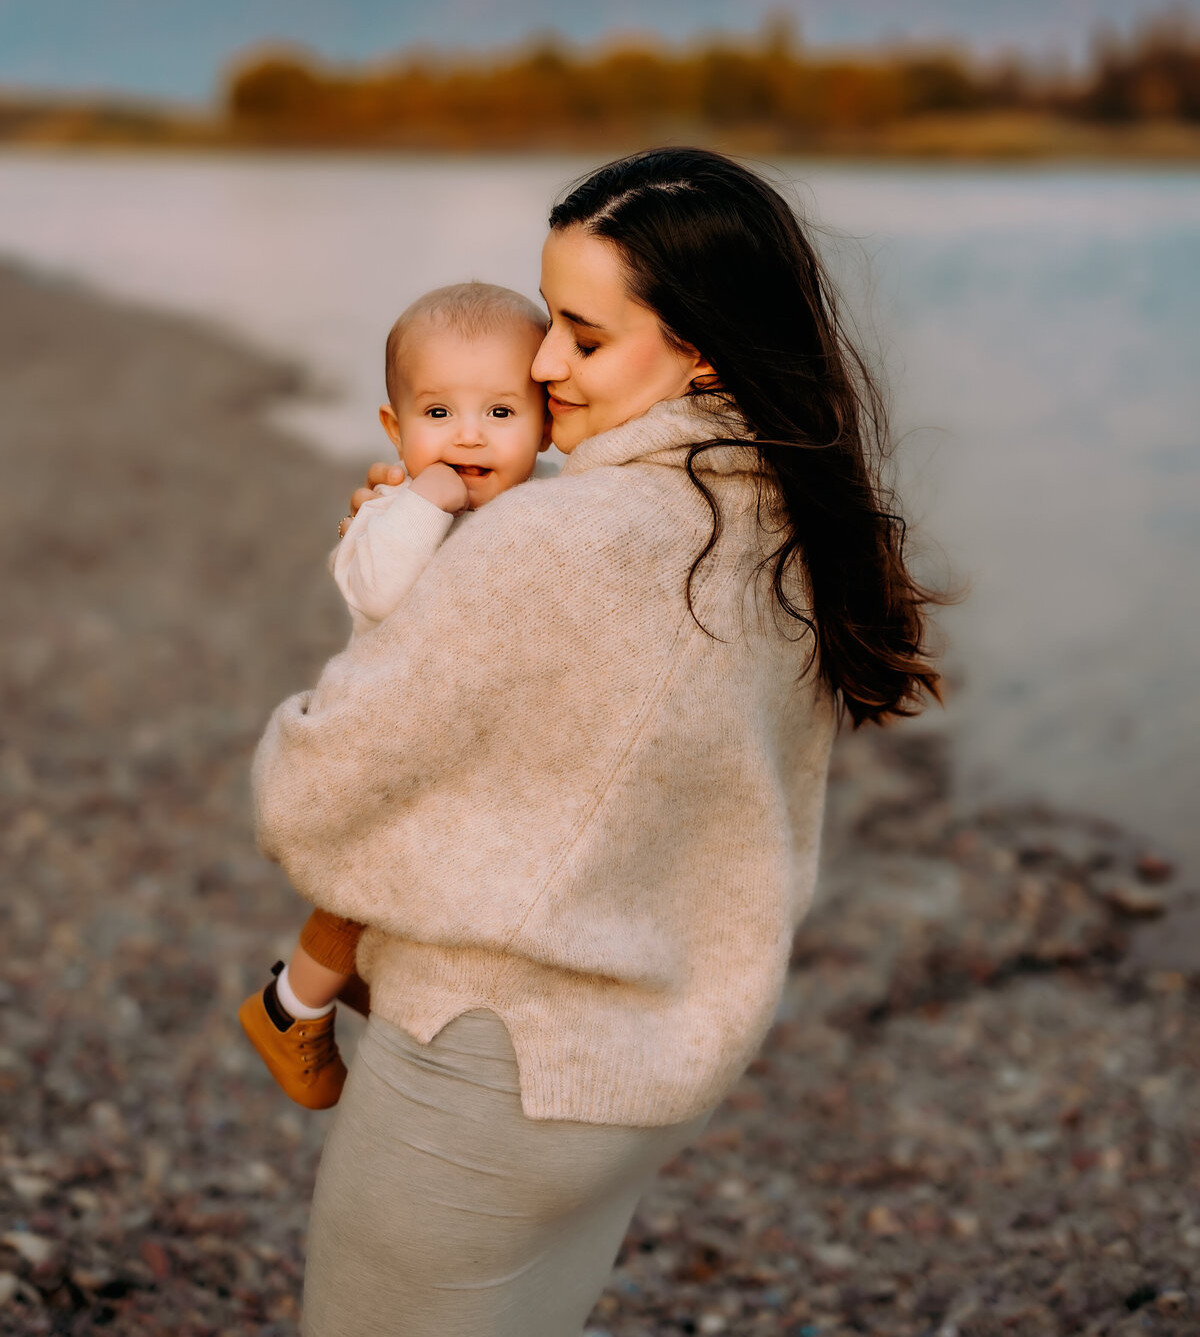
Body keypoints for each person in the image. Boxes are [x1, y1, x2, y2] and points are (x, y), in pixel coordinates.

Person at [251, 148, 942, 1337]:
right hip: (650, 1065)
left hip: (491, 1067)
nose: (540, 363)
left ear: (702, 348)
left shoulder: (560, 543)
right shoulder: (785, 514)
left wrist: (419, 591)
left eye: (582, 335)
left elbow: (310, 794)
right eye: (547, 323)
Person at [239, 281, 551, 1108]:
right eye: (438, 414)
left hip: (466, 753)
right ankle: (289, 1009)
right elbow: (376, 591)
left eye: (502, 412)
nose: (469, 436)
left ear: (546, 422)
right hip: (388, 742)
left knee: (423, 885)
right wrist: (424, 501)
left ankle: (373, 986)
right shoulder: (390, 513)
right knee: (359, 885)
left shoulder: (546, 509)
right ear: (394, 428)